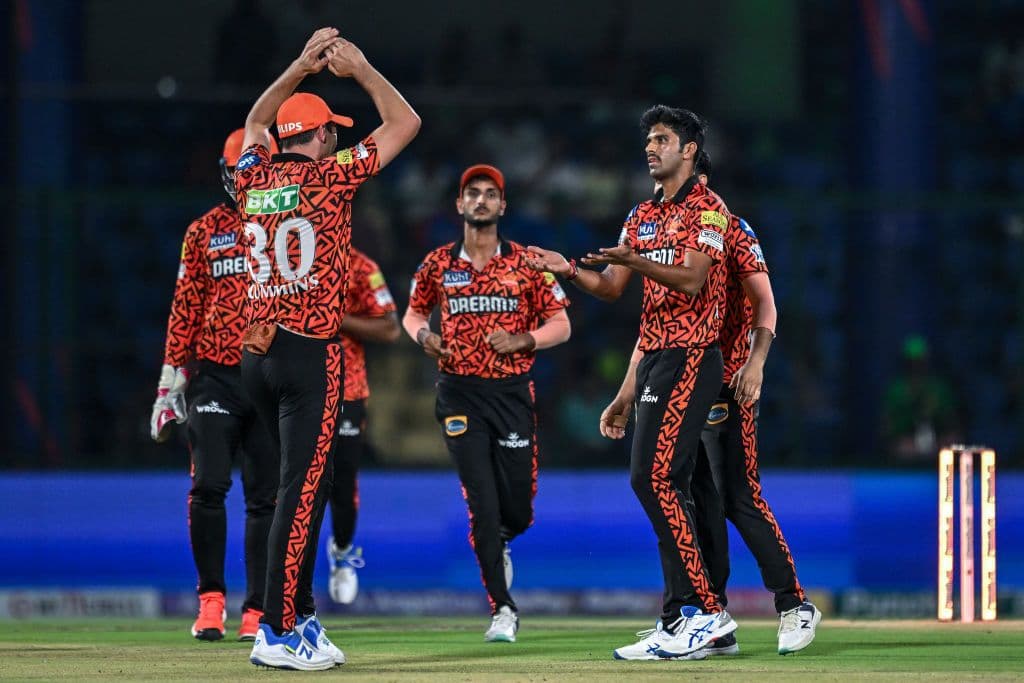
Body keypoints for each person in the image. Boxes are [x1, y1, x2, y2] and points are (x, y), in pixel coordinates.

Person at [235, 28, 420, 671]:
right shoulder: (330, 179)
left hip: (255, 354)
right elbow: (405, 122)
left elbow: (255, 120)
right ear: (317, 137)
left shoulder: (251, 179)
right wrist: (360, 69)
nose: (336, 139)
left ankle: (302, 615)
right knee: (300, 490)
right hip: (307, 355)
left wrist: (298, 66)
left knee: (305, 488)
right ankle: (278, 630)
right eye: (331, 132)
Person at [525, 105, 735, 659]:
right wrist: (569, 269)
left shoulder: (710, 210)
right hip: (656, 359)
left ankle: (704, 612)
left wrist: (636, 263)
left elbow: (693, 280)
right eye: (648, 140)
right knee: (668, 484)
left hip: (693, 355)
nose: (650, 148)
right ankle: (683, 616)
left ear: (689, 150)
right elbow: (613, 286)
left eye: (662, 139)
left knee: (653, 478)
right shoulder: (641, 215)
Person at [403, 164, 571, 643]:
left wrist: (524, 339)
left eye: (490, 194)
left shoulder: (527, 263)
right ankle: (503, 608)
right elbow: (413, 314)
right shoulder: (437, 263)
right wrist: (425, 337)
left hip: (511, 393)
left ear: (502, 205)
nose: (481, 200)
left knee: (516, 507)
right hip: (458, 392)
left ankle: (503, 537)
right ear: (459, 204)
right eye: (473, 193)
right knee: (480, 499)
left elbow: (562, 325)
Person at [149, 128, 279, 643]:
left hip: (269, 377)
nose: (249, 179)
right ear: (227, 173)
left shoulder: (290, 225)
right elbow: (185, 308)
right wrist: (169, 382)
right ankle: (210, 602)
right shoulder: (203, 232)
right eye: (241, 170)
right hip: (216, 379)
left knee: (265, 498)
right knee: (208, 485)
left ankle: (257, 610)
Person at [688, 155, 820, 656]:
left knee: (738, 495)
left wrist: (756, 363)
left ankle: (794, 604)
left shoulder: (734, 230)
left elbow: (766, 303)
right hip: (684, 383)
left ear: (702, 179)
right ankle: (713, 619)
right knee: (700, 501)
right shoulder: (670, 234)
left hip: (729, 381)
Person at [325, 247, 400, 604]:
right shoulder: (284, 260)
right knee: (291, 484)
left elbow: (390, 328)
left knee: (341, 482)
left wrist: (334, 319)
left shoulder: (360, 266)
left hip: (346, 388)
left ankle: (341, 553)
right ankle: (283, 577)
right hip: (293, 389)